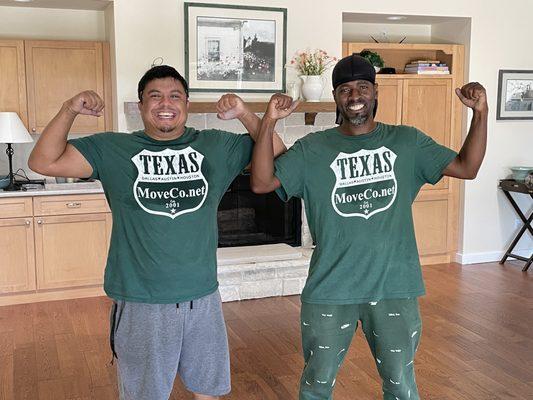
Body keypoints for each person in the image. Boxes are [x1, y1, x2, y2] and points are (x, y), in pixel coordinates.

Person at [28, 65, 285, 400]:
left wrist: (244, 113)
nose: (166, 103)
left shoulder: (216, 145)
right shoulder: (112, 149)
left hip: (203, 296)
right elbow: (43, 162)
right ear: (140, 106)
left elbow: (275, 149)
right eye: (155, 96)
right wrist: (69, 110)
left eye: (175, 95)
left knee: (208, 389)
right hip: (142, 300)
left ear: (187, 105)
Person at [250, 54, 487, 400]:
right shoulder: (312, 149)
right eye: (345, 89)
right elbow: (260, 183)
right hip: (330, 288)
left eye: (363, 86)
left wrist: (479, 114)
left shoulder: (408, 142)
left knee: (401, 387)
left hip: (395, 286)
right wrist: (269, 121)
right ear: (335, 98)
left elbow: (467, 167)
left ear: (375, 92)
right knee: (315, 388)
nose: (355, 95)